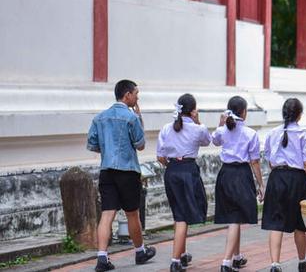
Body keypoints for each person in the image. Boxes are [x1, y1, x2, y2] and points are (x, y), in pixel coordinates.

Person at [87, 79, 157, 272]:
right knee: (132, 212)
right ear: (127, 95)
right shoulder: (131, 118)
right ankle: (140, 251)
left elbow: (92, 144)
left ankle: (102, 257)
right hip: (127, 171)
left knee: (107, 213)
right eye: (136, 94)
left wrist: (108, 150)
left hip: (106, 170)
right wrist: (140, 118)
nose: (137, 98)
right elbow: (140, 145)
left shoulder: (99, 118)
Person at [156, 93, 212, 272]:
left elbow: (160, 156)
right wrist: (198, 121)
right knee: (182, 216)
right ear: (193, 110)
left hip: (172, 171)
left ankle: (181, 253)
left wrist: (171, 166)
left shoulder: (166, 128)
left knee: (178, 213)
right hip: (188, 170)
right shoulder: (198, 129)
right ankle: (175, 261)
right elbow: (207, 141)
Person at [261, 98, 306, 272]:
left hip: (277, 178)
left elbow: (270, 162)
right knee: (299, 224)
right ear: (299, 115)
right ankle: (301, 261)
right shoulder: (305, 133)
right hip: (297, 179)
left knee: (276, 222)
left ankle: (275, 264)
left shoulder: (272, 133)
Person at [212, 96, 264, 272]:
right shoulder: (251, 134)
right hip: (241, 175)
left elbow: (215, 140)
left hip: (225, 174)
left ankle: (237, 256)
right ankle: (226, 261)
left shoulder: (222, 131)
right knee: (235, 218)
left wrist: (220, 124)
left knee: (236, 216)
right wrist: (261, 185)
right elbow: (255, 161)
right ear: (244, 112)